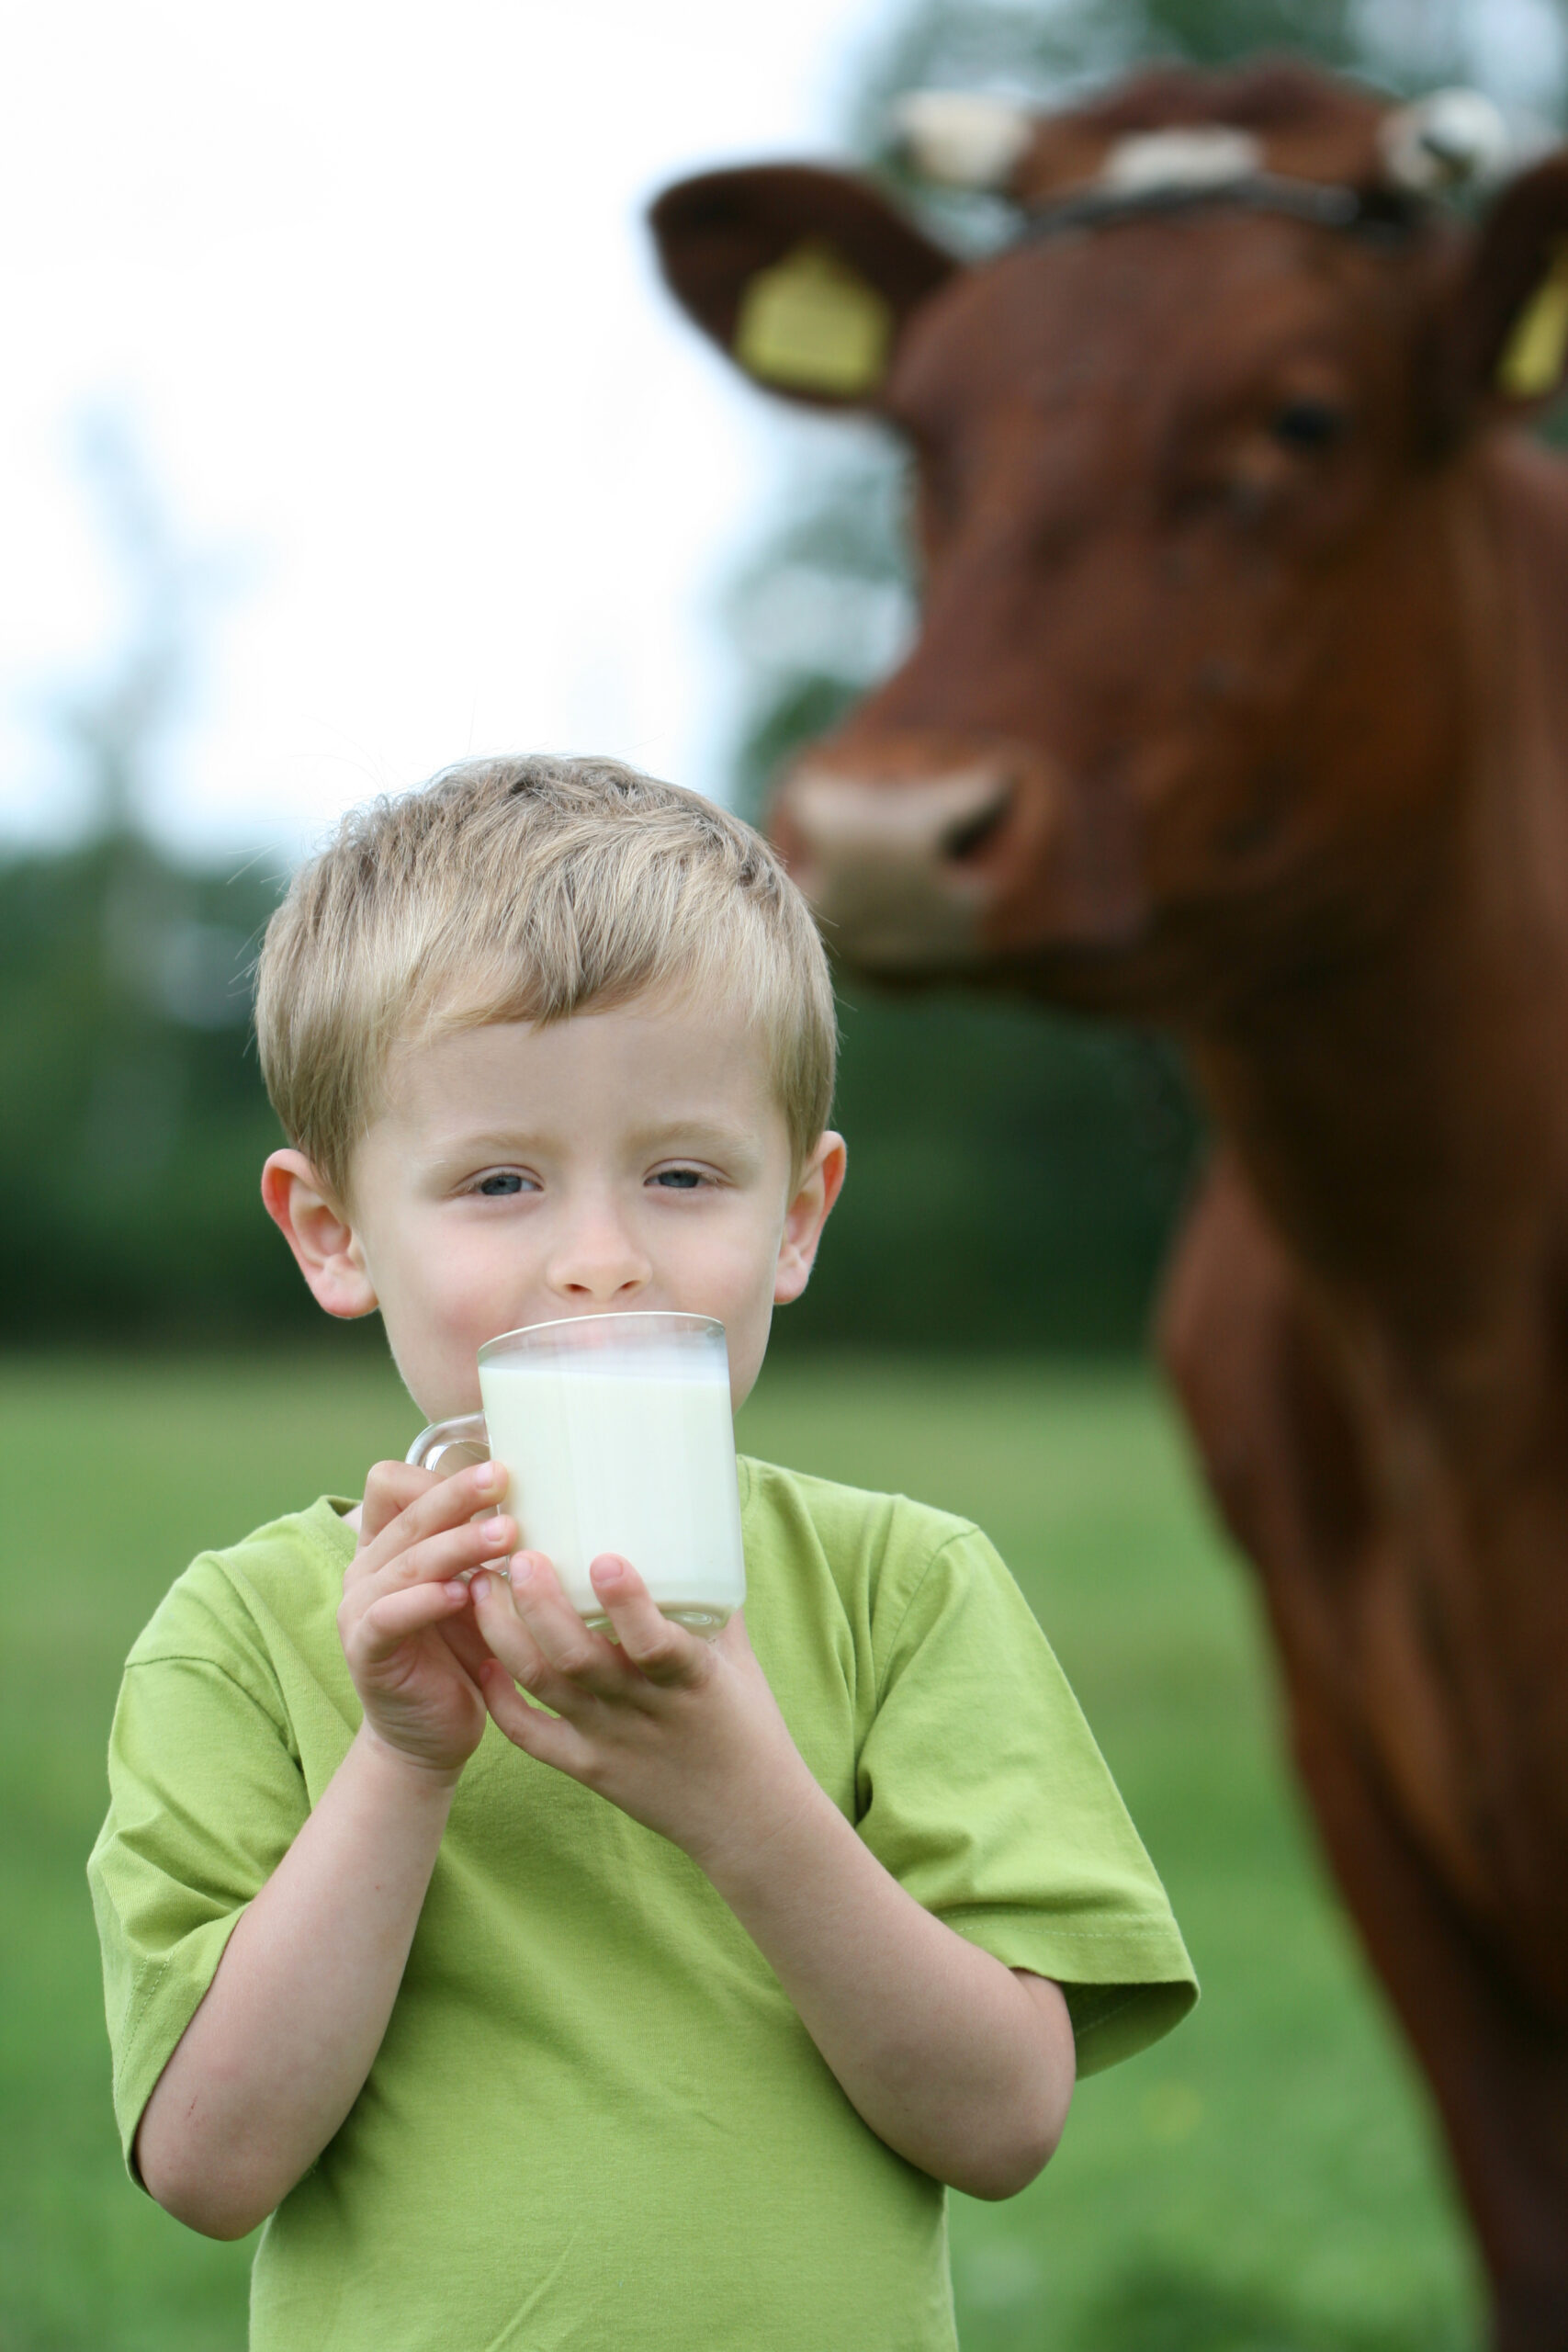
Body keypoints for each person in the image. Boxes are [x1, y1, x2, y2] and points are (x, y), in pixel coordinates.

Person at [89, 755, 1196, 2352]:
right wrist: (400, 1762)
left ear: (797, 1216)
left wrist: (737, 1791)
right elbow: (210, 2163)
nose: (602, 1258)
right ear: (333, 1232)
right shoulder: (246, 1634)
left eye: (683, 1175)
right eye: (498, 1183)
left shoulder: (905, 1592)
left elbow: (1003, 2123)